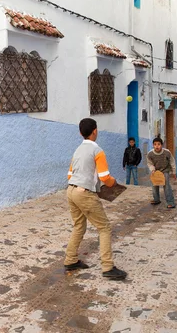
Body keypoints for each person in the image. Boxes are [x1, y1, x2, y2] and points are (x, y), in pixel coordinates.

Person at [65, 118, 128, 280]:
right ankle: (108, 267)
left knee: (79, 225)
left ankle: (71, 260)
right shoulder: (97, 151)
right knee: (104, 227)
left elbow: (69, 174)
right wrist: (113, 183)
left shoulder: (77, 150)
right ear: (95, 131)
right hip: (85, 193)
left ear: (80, 133)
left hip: (71, 190)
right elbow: (105, 177)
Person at [146, 137, 177, 209]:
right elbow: (149, 163)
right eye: (155, 144)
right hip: (156, 171)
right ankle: (156, 199)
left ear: (162, 145)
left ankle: (171, 202)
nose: (157, 146)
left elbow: (172, 162)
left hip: (165, 170)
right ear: (153, 145)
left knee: (166, 186)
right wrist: (152, 169)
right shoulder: (150, 154)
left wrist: (174, 172)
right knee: (154, 184)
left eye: (159, 144)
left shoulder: (167, 152)